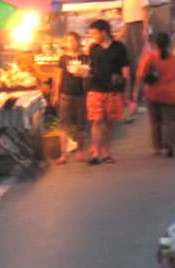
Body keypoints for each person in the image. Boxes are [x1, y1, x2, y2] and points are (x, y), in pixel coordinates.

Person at [85, 19, 130, 165]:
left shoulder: (119, 47)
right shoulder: (93, 48)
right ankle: (96, 153)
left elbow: (125, 67)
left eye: (95, 33)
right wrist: (84, 72)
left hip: (113, 89)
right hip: (95, 88)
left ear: (104, 32)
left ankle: (106, 152)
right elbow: (89, 67)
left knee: (108, 122)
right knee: (96, 120)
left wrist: (126, 87)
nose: (93, 37)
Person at [139, 32, 175, 157]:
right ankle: (170, 143)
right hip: (171, 93)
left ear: (156, 44)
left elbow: (142, 74)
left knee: (155, 122)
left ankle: (157, 147)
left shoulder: (150, 57)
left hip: (153, 94)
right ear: (169, 44)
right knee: (171, 121)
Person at [55, 31, 87, 164]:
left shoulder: (84, 58)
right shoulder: (63, 58)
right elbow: (58, 77)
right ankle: (63, 154)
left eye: (73, 41)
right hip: (65, 93)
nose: (71, 44)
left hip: (80, 94)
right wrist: (55, 94)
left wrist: (83, 73)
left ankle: (80, 151)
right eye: (68, 41)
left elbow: (89, 74)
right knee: (64, 125)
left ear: (78, 42)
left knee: (80, 125)